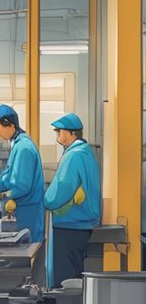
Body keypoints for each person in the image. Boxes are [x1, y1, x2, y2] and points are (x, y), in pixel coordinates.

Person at [0, 104, 44, 246]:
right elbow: (8, 177)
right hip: (23, 211)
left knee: (29, 253)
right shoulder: (18, 145)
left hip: (27, 213)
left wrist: (0, 195)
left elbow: (21, 185)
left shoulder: (23, 148)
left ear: (8, 125)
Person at [43, 113, 101, 288]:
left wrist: (45, 199)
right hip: (81, 224)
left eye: (59, 131)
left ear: (70, 133)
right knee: (75, 273)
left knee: (65, 278)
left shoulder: (73, 156)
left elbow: (61, 189)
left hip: (69, 224)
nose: (57, 136)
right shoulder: (85, 152)